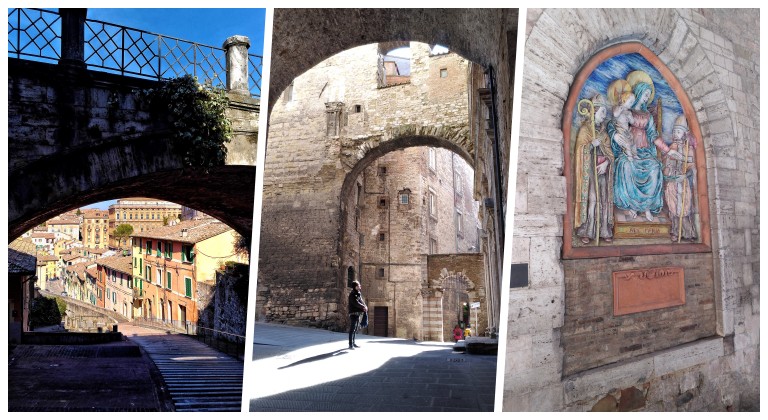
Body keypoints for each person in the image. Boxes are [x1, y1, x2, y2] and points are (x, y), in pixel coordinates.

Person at [608, 73, 670, 222]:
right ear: (638, 93)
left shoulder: (648, 115)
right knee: (625, 165)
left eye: (649, 96)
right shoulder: (626, 111)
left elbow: (653, 135)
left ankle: (647, 207)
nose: (646, 98)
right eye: (645, 94)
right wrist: (615, 136)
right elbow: (613, 124)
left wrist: (667, 150)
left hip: (645, 150)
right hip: (628, 147)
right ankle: (631, 204)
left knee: (655, 167)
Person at [574, 93, 614, 244]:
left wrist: (606, 163)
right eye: (603, 111)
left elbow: (610, 154)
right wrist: (591, 145)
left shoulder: (604, 133)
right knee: (593, 199)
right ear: (594, 111)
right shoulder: (585, 130)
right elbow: (579, 150)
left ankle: (604, 230)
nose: (605, 115)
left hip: (602, 171)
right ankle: (588, 230)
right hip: (589, 172)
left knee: (603, 199)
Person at [663, 114, 698, 242]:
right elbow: (667, 164)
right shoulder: (672, 146)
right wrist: (669, 161)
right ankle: (675, 230)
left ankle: (688, 232)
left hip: (683, 182)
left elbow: (691, 166)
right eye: (674, 131)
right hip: (673, 181)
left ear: (684, 133)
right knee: (673, 206)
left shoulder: (688, 148)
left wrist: (682, 161)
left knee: (684, 206)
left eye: (679, 131)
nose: (676, 134)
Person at [347, 280, 367, 350]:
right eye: (358, 285)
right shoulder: (352, 294)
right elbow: (356, 303)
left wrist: (365, 306)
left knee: (355, 329)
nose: (360, 286)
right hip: (353, 313)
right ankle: (350, 344)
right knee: (352, 328)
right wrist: (363, 307)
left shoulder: (358, 293)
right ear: (355, 287)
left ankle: (353, 342)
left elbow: (361, 301)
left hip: (358, 313)